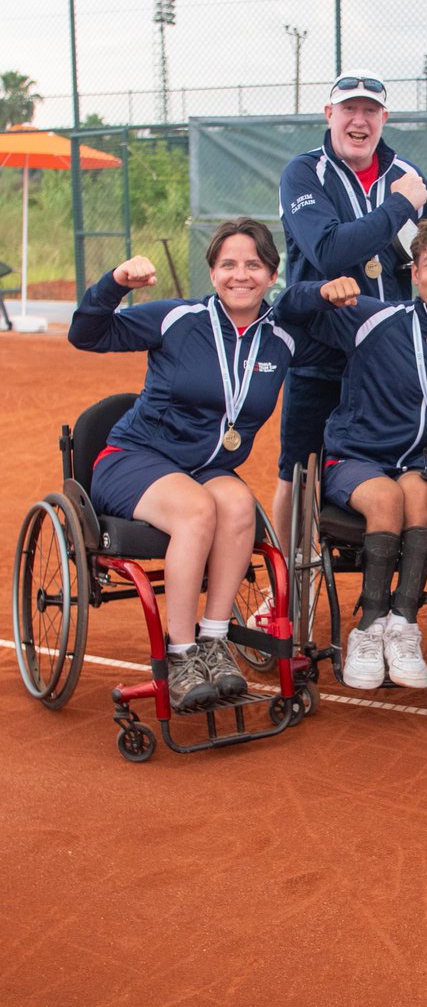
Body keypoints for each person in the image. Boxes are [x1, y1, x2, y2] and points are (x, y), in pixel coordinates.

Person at [67, 218, 352, 714]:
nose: (240, 275)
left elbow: (344, 345)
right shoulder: (177, 317)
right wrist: (115, 282)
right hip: (136, 457)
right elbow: (86, 333)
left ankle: (215, 643)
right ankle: (181, 655)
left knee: (240, 505)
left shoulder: (282, 337)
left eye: (253, 265)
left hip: (209, 465)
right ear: (213, 270)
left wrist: (324, 295)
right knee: (198, 511)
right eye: (228, 265)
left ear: (271, 274)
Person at [274, 217, 427, 691]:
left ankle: (402, 625)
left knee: (421, 490)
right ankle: (370, 624)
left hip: (421, 466)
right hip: (354, 462)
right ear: (414, 274)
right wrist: (319, 291)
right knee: (387, 497)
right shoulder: (371, 317)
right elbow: (285, 308)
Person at [273, 70, 427, 544]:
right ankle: (285, 589)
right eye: (349, 109)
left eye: (370, 111)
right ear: (330, 115)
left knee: (394, 471)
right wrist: (396, 209)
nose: (359, 121)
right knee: (296, 472)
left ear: (384, 118)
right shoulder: (304, 173)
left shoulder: (409, 177)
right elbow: (328, 250)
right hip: (320, 355)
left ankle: (391, 591)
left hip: (389, 362)